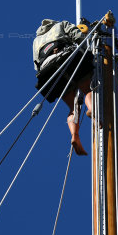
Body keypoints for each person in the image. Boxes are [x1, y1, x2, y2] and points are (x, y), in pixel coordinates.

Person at [33, 19, 94, 156]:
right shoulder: (61, 24)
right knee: (87, 89)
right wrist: (87, 52)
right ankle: (91, 109)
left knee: (73, 107)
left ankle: (74, 135)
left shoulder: (36, 40)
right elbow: (77, 35)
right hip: (66, 58)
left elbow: (36, 64)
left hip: (48, 71)